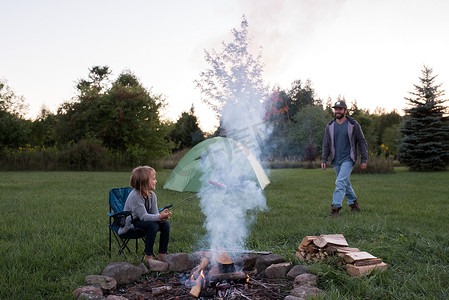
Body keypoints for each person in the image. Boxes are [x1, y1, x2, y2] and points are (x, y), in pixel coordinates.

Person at [321, 101, 368, 217]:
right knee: (345, 183)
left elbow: (362, 142)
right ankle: (353, 204)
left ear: (345, 111)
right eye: (336, 109)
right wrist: (323, 159)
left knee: (340, 182)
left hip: (349, 158)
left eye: (340, 109)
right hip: (336, 159)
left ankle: (335, 208)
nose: (337, 111)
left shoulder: (353, 125)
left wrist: (364, 159)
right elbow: (326, 143)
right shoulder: (330, 126)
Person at [120, 166, 172, 263]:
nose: (156, 181)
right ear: (144, 182)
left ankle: (162, 255)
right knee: (153, 226)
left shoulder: (152, 195)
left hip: (144, 220)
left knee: (165, 225)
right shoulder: (135, 196)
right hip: (132, 222)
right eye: (153, 179)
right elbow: (143, 217)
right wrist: (159, 217)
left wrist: (161, 218)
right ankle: (148, 256)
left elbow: (154, 214)